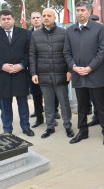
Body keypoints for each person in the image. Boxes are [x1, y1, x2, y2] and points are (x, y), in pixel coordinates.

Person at [64, 1, 104, 146]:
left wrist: (90, 67)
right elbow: (66, 52)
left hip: (95, 74)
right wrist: (74, 67)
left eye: (83, 10)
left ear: (89, 12)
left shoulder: (99, 29)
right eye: (78, 10)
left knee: (101, 105)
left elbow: (103, 51)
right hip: (78, 75)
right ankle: (83, 131)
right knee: (82, 106)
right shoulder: (70, 31)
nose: (80, 13)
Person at [0, 9, 34, 137]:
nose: (6, 21)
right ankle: (7, 129)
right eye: (3, 19)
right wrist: (2, 66)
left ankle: (25, 126)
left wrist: (22, 65)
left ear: (13, 19)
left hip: (20, 73)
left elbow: (29, 52)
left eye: (9, 18)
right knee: (5, 104)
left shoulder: (24, 33)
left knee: (23, 103)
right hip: (3, 75)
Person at [29, 8, 74, 139]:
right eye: (44, 15)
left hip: (61, 74)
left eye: (49, 15)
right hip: (43, 75)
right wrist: (33, 73)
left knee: (64, 103)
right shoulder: (35, 35)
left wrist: (70, 70)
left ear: (55, 18)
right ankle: (50, 126)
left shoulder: (63, 33)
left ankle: (67, 126)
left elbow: (69, 53)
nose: (46, 18)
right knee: (48, 104)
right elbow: (32, 55)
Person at [87, 14, 104, 127]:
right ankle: (97, 117)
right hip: (90, 73)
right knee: (94, 98)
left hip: (103, 73)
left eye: (98, 22)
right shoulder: (86, 35)